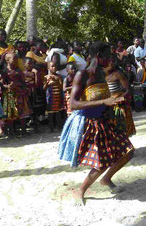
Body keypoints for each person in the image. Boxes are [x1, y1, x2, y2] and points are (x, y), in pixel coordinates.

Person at [58, 42, 135, 206]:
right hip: (91, 123)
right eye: (108, 55)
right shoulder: (82, 75)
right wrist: (105, 101)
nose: (111, 59)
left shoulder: (102, 73)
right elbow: (74, 104)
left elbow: (106, 98)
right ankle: (81, 190)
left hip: (106, 121)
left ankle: (106, 179)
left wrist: (115, 102)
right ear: (99, 56)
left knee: (128, 152)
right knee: (101, 161)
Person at [105, 55, 136, 136]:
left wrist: (119, 99)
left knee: (121, 129)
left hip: (119, 104)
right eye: (109, 61)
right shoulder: (101, 75)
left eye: (113, 62)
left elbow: (129, 90)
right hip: (108, 104)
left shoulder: (117, 74)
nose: (112, 63)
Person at [43, 61, 64, 133]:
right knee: (50, 113)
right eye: (52, 66)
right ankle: (50, 128)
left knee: (58, 113)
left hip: (57, 97)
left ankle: (59, 126)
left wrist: (56, 82)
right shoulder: (46, 77)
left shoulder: (59, 76)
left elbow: (61, 87)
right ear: (48, 68)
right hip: (50, 98)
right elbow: (44, 88)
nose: (54, 68)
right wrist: (47, 83)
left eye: (55, 66)